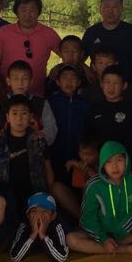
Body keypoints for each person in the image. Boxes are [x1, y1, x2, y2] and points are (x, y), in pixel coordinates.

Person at [67, 140, 132, 257]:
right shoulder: (94, 185)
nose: (115, 166)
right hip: (101, 233)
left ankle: (118, 245)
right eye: (109, 161)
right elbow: (87, 218)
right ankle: (121, 249)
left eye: (119, 160)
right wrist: (103, 238)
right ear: (102, 164)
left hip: (128, 232)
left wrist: (125, 226)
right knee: (71, 239)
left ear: (126, 160)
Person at [0, 95, 55, 219]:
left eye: (24, 114)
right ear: (7, 117)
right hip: (6, 193)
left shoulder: (39, 140)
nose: (19, 119)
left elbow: (48, 169)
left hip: (34, 192)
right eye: (14, 113)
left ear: (31, 117)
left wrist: (48, 196)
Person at [0, 0, 61, 95]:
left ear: (38, 12)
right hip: (7, 94)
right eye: (23, 10)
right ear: (16, 11)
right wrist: (0, 89)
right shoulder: (4, 32)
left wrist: (58, 68)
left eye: (32, 10)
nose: (27, 15)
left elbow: (67, 53)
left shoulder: (48, 33)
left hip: (37, 95)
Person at [0, 60, 57, 145]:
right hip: (7, 149)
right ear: (8, 81)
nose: (20, 83)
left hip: (34, 148)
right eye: (16, 78)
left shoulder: (41, 103)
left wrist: (42, 137)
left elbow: (51, 127)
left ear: (31, 81)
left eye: (25, 78)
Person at [47, 64, 91, 198]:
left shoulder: (84, 104)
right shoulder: (50, 103)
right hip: (56, 157)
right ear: (57, 82)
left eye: (73, 78)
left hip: (79, 158)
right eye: (64, 78)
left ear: (79, 82)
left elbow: (88, 131)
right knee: (56, 188)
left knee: (80, 191)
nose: (68, 82)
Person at [87, 64, 132, 151]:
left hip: (125, 154)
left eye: (116, 83)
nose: (111, 87)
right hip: (101, 155)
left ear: (124, 86)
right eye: (108, 82)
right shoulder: (94, 108)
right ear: (101, 84)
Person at [81, 0, 132, 77]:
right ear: (100, 9)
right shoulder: (91, 32)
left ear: (121, 9)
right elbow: (79, 59)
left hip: (126, 82)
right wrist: (87, 70)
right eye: (106, 7)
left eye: (114, 7)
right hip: (97, 83)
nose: (110, 11)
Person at [9, 192, 71, 262]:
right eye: (34, 211)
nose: (39, 216)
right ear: (28, 215)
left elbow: (61, 258)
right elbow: (15, 257)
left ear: (53, 216)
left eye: (44, 211)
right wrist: (33, 234)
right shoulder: (24, 226)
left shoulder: (57, 226)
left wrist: (42, 235)